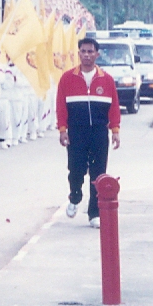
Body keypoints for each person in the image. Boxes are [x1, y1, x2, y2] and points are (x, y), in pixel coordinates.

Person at [57, 37, 121, 228]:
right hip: (76, 132)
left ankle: (94, 213)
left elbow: (114, 107)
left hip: (99, 133)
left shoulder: (106, 79)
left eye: (90, 51)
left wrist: (115, 130)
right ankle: (75, 195)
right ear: (79, 53)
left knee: (98, 173)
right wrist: (62, 129)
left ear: (97, 54)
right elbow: (61, 106)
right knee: (76, 169)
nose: (86, 55)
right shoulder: (67, 78)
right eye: (83, 51)